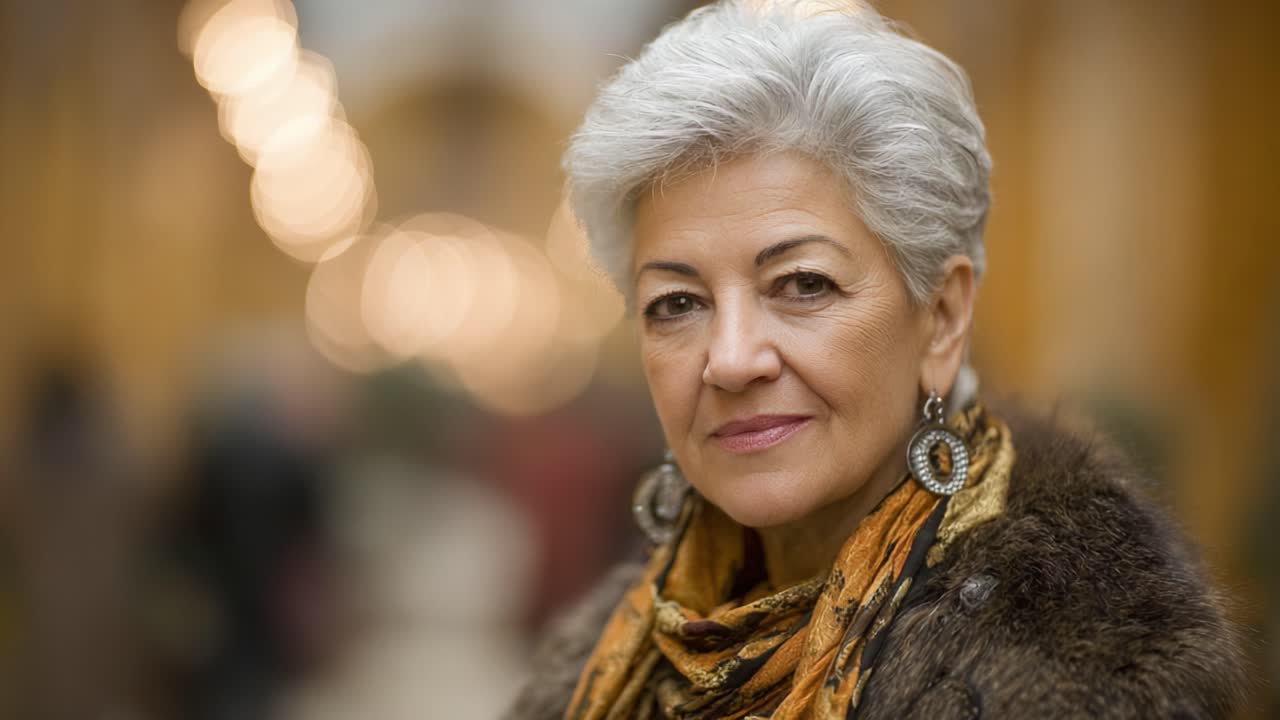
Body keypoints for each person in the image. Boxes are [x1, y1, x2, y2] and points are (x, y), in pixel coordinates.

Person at [507, 1, 1245, 717]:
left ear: (943, 318)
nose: (729, 361)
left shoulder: (1082, 667)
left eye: (802, 284)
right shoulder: (601, 663)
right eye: (676, 302)